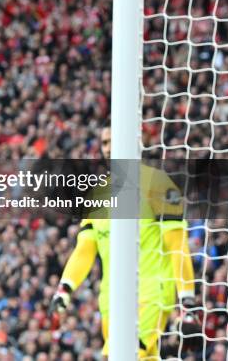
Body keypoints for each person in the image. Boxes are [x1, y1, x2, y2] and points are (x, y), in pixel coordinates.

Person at [50, 126, 199, 359]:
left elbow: (177, 246)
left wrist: (188, 302)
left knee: (123, 356)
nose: (109, 148)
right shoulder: (96, 194)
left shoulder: (158, 183)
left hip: (152, 291)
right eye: (105, 143)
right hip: (111, 299)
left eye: (114, 141)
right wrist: (64, 289)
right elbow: (85, 249)